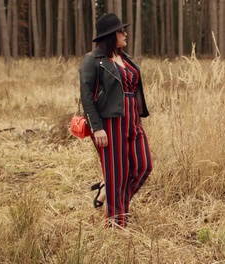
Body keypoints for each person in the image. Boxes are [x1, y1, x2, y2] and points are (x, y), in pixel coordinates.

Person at [80, 13, 153, 227]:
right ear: (112, 35)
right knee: (118, 177)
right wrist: (97, 128)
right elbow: (86, 96)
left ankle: (108, 191)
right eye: (122, 31)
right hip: (111, 124)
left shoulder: (126, 58)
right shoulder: (93, 60)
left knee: (144, 166)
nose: (125, 33)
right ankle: (116, 226)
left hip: (133, 122)